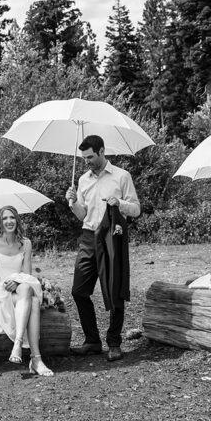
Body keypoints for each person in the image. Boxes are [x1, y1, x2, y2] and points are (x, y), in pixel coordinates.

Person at [65, 134, 140, 361]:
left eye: (90, 156)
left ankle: (114, 343)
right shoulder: (83, 179)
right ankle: (92, 341)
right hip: (88, 237)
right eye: (84, 157)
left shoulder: (122, 176)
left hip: (112, 238)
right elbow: (82, 215)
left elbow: (136, 209)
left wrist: (121, 204)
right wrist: (72, 202)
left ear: (101, 151)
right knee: (79, 291)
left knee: (115, 291)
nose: (87, 161)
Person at [0, 206, 54, 377]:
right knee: (32, 302)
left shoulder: (25, 243)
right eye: (5, 218)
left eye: (12, 218)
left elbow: (26, 275)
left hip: (18, 289)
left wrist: (16, 281)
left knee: (26, 288)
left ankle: (18, 345)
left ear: (17, 220)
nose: (9, 221)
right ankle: (36, 358)